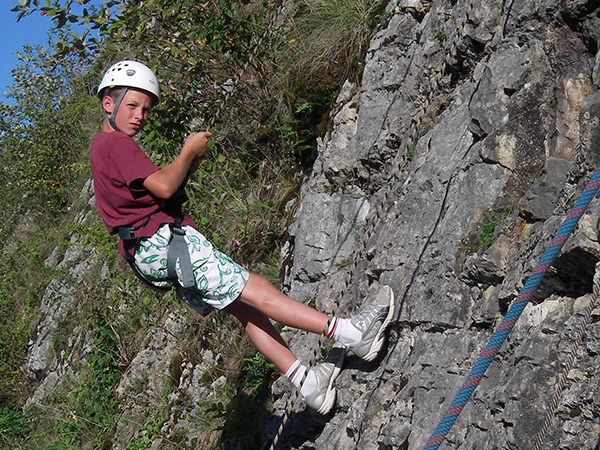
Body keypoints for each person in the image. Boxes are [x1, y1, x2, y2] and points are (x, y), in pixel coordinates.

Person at [89, 60, 396, 415]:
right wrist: (188, 150)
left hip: (150, 254)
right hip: (167, 242)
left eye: (146, 109)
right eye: (132, 106)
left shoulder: (101, 148)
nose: (140, 115)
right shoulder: (116, 145)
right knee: (257, 292)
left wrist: (193, 161)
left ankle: (308, 384)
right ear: (108, 104)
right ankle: (352, 334)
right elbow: (163, 184)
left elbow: (158, 192)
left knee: (242, 307)